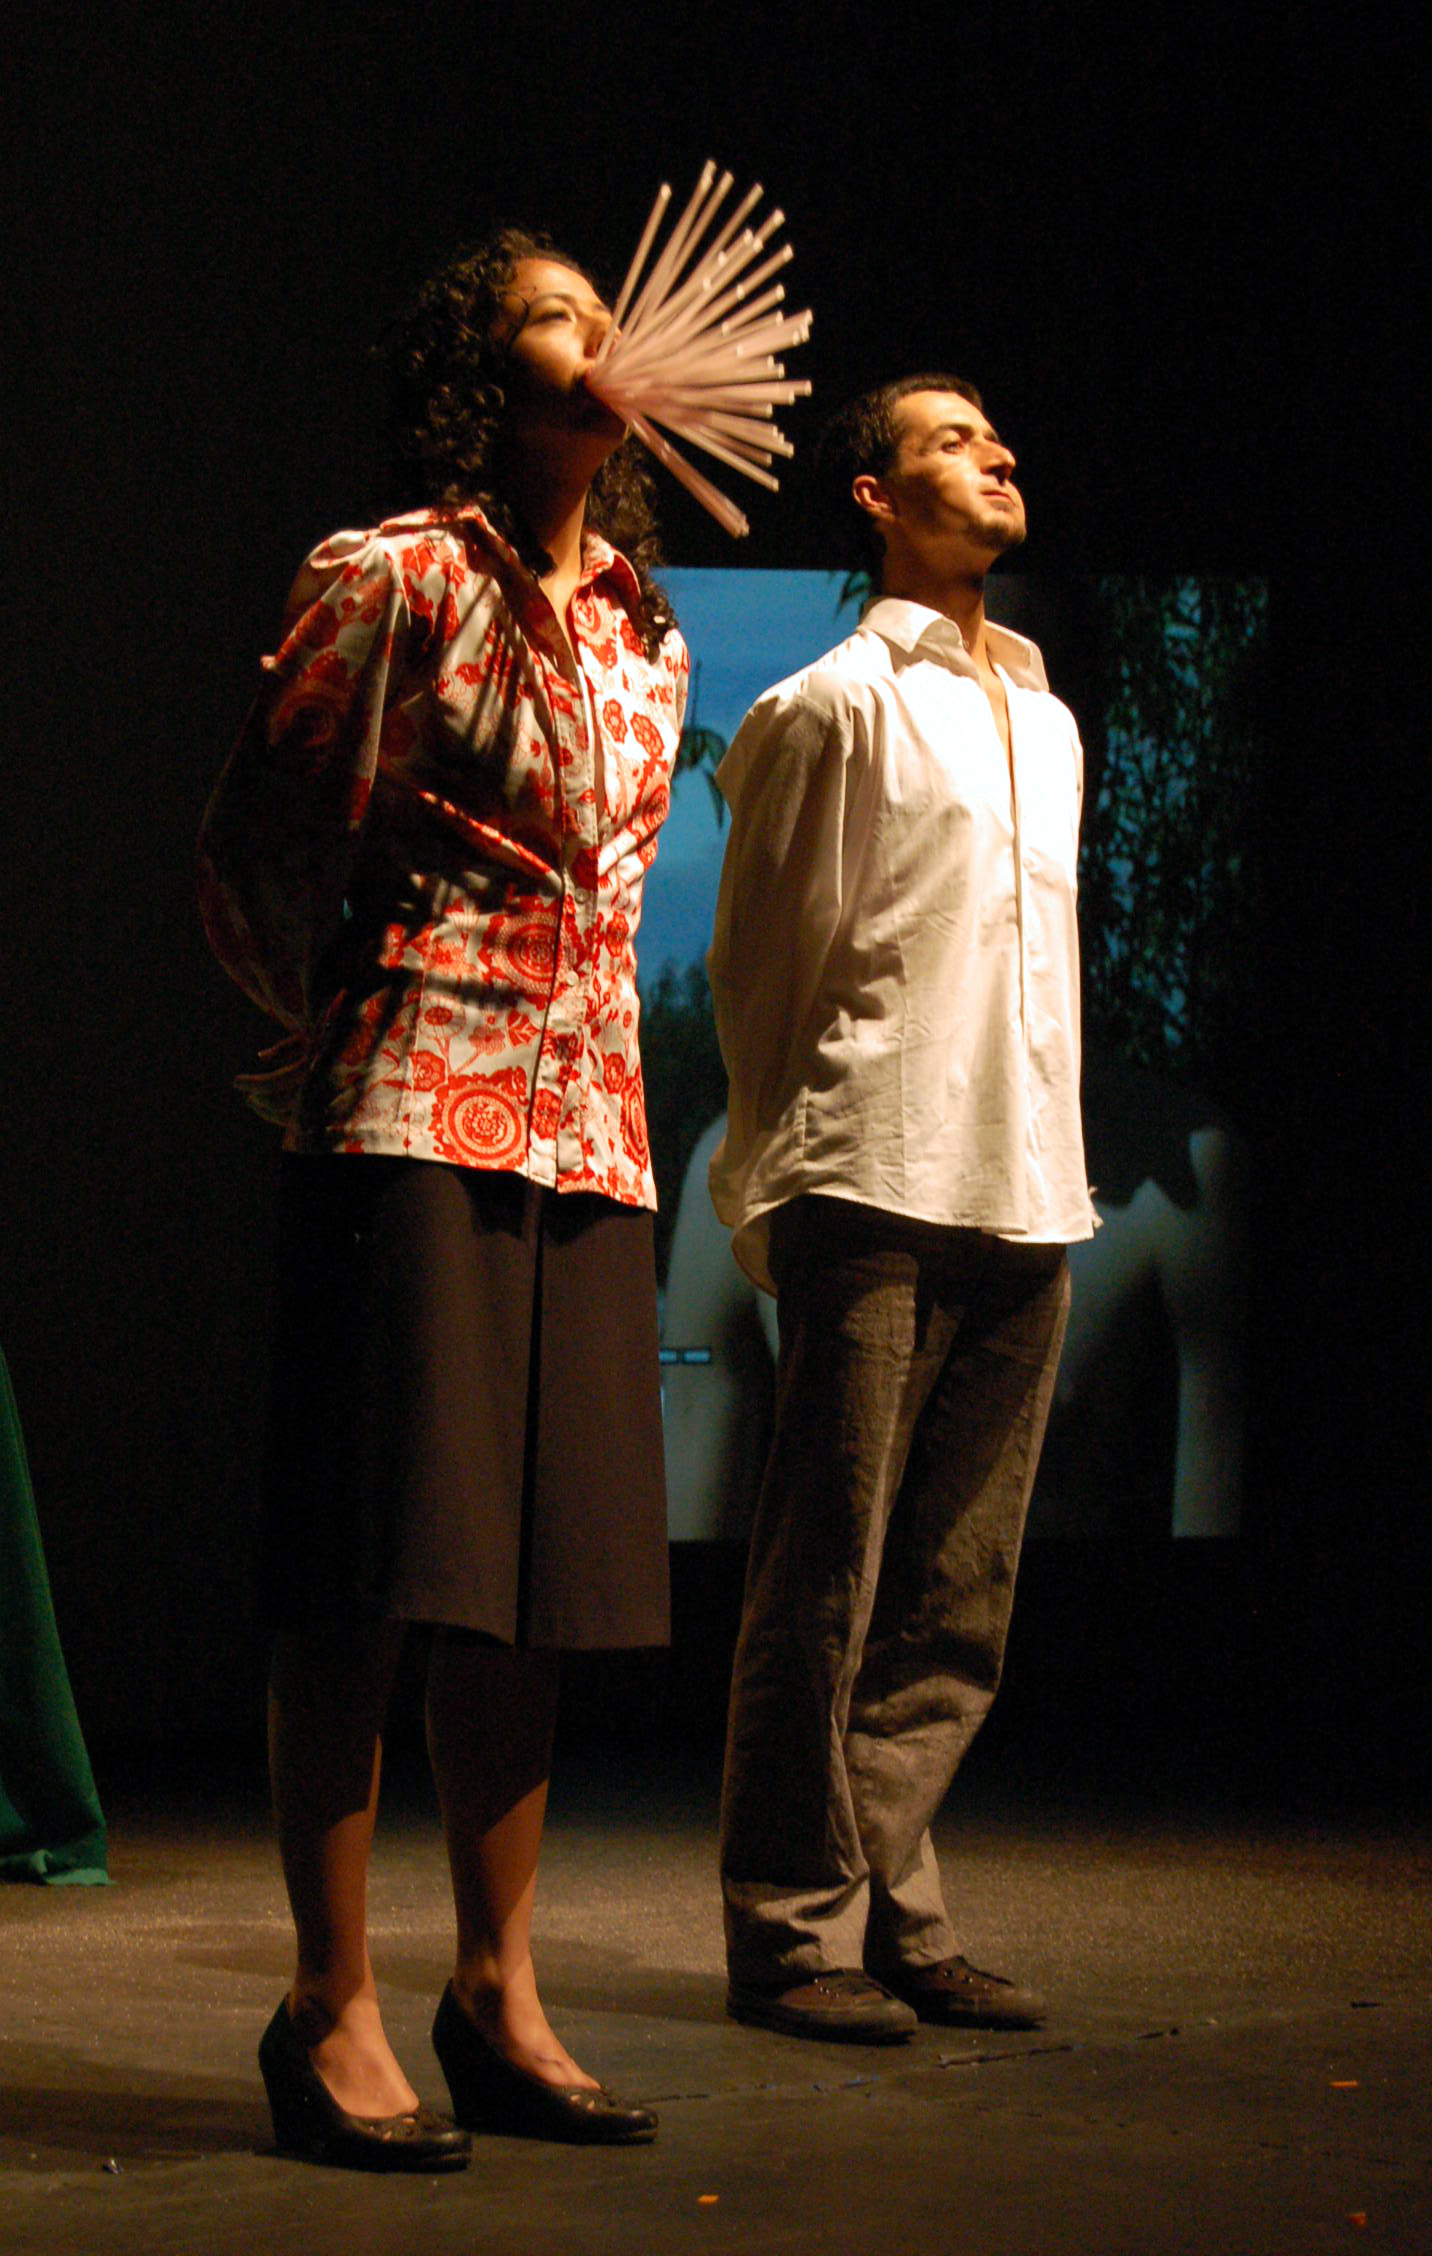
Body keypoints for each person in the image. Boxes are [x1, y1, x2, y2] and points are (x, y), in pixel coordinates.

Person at [197, 228, 688, 2166]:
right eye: (558, 313)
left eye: (607, 313)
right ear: (487, 369)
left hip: (592, 1131)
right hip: (415, 1109)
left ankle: (497, 1991)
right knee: (372, 1567)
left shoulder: (646, 628)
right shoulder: (390, 576)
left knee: (533, 1591)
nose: (600, 339)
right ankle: (324, 2001)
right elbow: (259, 832)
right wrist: (335, 1021)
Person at [707, 375, 1096, 2042]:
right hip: (869, 1174)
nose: (996, 454)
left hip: (1029, 1184)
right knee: (828, 1581)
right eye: (951, 439)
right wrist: (775, 1181)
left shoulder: (1047, 715)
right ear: (872, 495)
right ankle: (790, 1927)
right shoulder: (828, 706)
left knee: (957, 1596)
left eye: (1000, 435)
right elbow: (761, 973)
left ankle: (899, 1908)